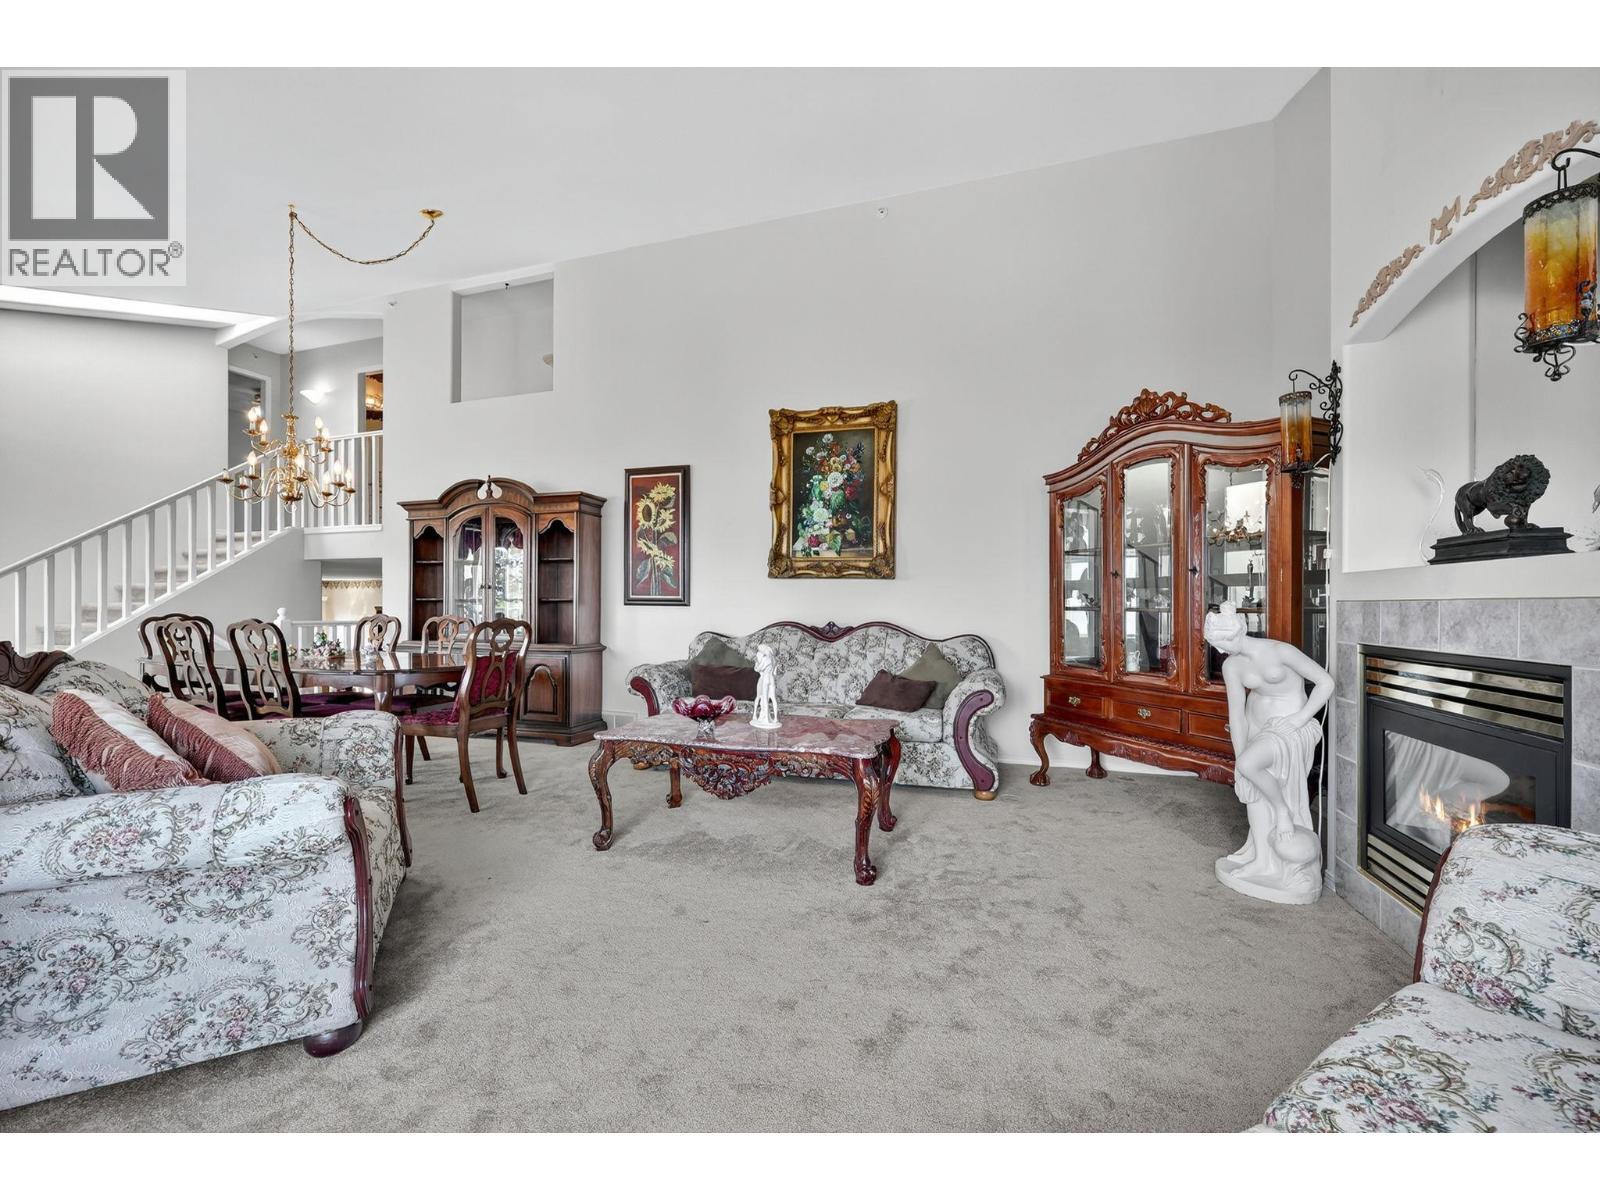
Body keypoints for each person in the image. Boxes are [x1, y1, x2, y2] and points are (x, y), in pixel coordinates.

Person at [1202, 602, 1333, 903]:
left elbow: (1326, 683)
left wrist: (1298, 720)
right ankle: (1262, 860)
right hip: (1258, 730)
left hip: (1291, 731)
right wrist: (1239, 754)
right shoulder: (1231, 665)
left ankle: (1284, 815)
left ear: (1237, 632)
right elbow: (1236, 714)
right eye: (1217, 645)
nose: (1221, 650)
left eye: (1223, 643)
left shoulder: (1280, 651)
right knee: (1250, 786)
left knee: (1251, 767)